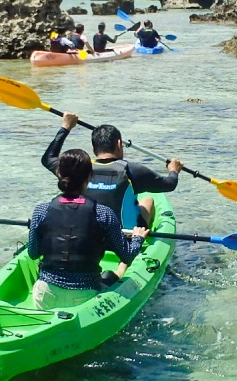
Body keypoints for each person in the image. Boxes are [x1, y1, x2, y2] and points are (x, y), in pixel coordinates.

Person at [42, 114, 183, 281]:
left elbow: (48, 159)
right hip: (124, 237)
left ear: (94, 148)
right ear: (118, 144)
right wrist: (173, 169)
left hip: (87, 237)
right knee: (148, 201)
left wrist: (65, 127)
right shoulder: (132, 170)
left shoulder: (78, 169)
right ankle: (123, 266)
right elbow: (169, 184)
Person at [27, 149, 147, 308]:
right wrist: (138, 237)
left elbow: (33, 253)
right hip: (85, 298)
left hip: (46, 297)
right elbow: (127, 255)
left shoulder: (41, 210)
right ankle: (119, 271)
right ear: (89, 176)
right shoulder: (103, 213)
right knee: (111, 275)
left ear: (60, 173)